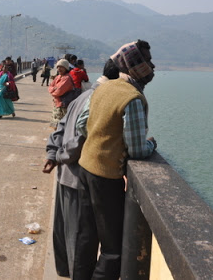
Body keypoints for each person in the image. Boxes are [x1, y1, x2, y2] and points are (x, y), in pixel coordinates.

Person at [76, 40, 157, 279]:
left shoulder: (104, 87)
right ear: (136, 66)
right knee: (113, 249)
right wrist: (152, 143)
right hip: (106, 177)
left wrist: (102, 138)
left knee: (86, 237)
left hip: (85, 167)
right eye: (148, 62)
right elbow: (138, 150)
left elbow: (82, 126)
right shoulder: (132, 98)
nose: (152, 67)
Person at [42, 60, 121, 278]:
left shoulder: (82, 97)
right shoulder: (98, 100)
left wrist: (52, 154)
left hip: (64, 174)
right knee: (78, 238)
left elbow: (61, 127)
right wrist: (59, 156)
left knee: (64, 232)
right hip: (78, 176)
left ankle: (64, 271)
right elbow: (79, 138)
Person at [48, 59, 74, 128]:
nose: (59, 69)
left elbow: (59, 91)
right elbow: (50, 86)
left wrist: (54, 90)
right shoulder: (58, 77)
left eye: (61, 67)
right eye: (58, 67)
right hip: (57, 103)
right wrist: (54, 89)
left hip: (62, 104)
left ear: (66, 68)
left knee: (61, 125)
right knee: (56, 124)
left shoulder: (67, 78)